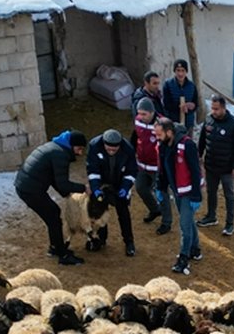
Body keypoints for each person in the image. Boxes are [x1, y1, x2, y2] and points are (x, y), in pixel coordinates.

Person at [14, 130, 88, 266]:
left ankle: (55, 247)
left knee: (52, 214)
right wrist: (84, 188)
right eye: (79, 149)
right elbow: (63, 183)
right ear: (71, 146)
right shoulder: (61, 155)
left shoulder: (54, 147)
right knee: (53, 216)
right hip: (31, 190)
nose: (80, 153)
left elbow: (55, 178)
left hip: (25, 185)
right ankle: (62, 255)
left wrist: (66, 194)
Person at [154, 119, 203, 275]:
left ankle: (184, 257)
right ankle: (195, 249)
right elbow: (162, 170)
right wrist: (160, 188)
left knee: (184, 226)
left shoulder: (187, 145)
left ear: (169, 132)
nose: (157, 138)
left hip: (188, 192)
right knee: (187, 221)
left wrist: (196, 196)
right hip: (177, 191)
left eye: (159, 134)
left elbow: (195, 171)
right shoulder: (163, 146)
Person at [86, 129, 139, 257]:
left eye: (114, 150)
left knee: (123, 213)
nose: (111, 152)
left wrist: (125, 187)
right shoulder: (94, 146)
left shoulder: (128, 150)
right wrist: (96, 188)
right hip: (102, 184)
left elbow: (131, 171)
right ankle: (100, 238)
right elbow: (92, 170)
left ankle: (129, 242)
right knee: (99, 212)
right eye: (108, 149)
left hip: (119, 184)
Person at [197, 95, 234, 236]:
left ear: (224, 108)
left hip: (227, 168)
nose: (214, 111)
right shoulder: (209, 119)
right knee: (211, 192)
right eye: (212, 108)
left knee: (229, 195)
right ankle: (211, 216)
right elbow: (202, 140)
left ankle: (230, 224)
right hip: (211, 165)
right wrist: (199, 155)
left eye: (216, 109)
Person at [130, 97, 171, 232]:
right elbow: (136, 136)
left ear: (152, 112)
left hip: (157, 167)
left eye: (144, 114)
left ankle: (166, 221)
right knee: (141, 188)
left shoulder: (162, 124)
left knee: (162, 193)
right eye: (139, 113)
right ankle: (154, 209)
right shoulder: (137, 121)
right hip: (142, 164)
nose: (140, 117)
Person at [161, 59, 199, 135]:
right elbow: (166, 104)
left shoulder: (192, 86)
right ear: (174, 71)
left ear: (186, 72)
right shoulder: (168, 85)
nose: (180, 73)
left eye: (183, 70)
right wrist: (180, 107)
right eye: (178, 70)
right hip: (173, 123)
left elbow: (196, 103)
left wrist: (192, 106)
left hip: (188, 123)